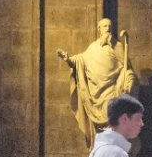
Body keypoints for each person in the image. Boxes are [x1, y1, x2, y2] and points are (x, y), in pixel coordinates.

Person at [57, 17, 138, 146]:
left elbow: (127, 70)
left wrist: (129, 82)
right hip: (95, 97)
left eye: (110, 26)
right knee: (101, 136)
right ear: (99, 29)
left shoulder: (118, 46)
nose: (108, 28)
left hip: (112, 92)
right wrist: (68, 60)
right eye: (105, 26)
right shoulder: (93, 48)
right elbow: (80, 61)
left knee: (112, 127)